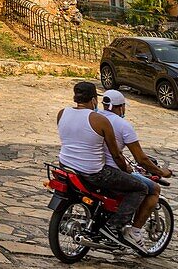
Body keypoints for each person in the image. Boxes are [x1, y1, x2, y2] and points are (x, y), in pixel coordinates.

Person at [56, 81, 150, 252]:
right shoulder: (100, 120)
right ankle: (114, 227)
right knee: (140, 188)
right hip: (93, 173)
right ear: (93, 100)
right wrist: (126, 170)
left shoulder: (62, 113)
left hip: (66, 166)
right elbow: (116, 154)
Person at [99, 89, 173, 243]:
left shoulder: (95, 117)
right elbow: (141, 159)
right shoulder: (123, 125)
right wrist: (161, 172)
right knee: (152, 189)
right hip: (112, 170)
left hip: (92, 166)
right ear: (121, 107)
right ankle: (133, 231)